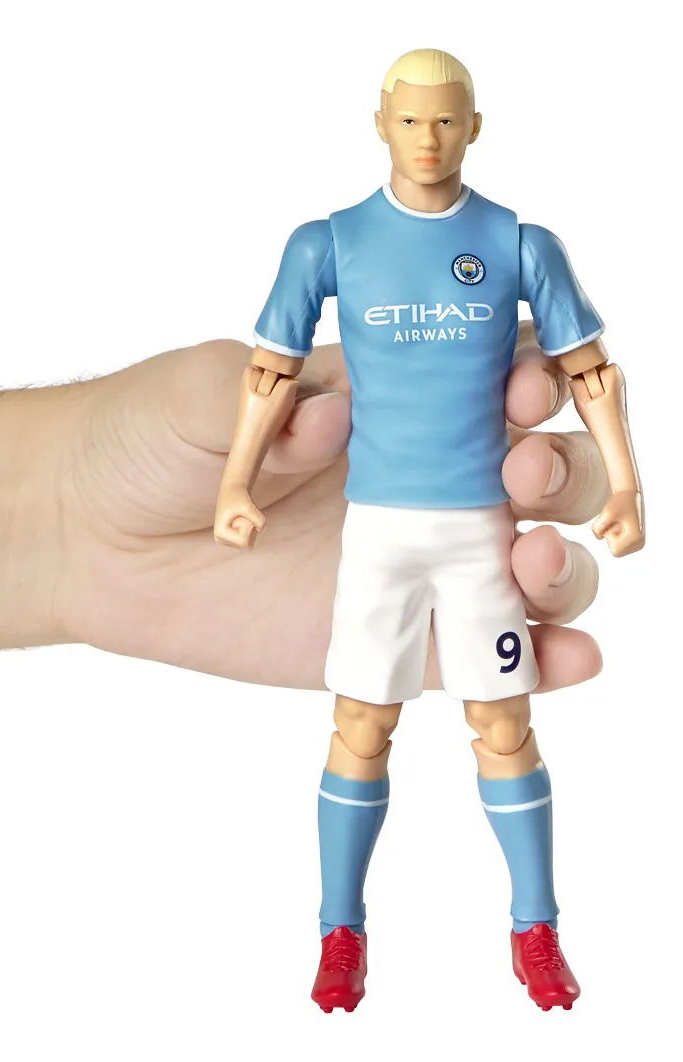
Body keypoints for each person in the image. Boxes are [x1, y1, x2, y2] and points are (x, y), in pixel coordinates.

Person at [213, 49, 643, 1013]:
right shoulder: (330, 242)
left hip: (480, 528)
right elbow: (270, 370)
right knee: (362, 724)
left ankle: (536, 928)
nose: (428, 138)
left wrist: (626, 485)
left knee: (504, 723)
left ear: (474, 127)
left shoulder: (516, 240)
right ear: (380, 123)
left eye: (446, 119)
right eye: (410, 119)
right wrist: (236, 480)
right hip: (376, 531)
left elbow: (589, 370)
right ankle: (340, 930)